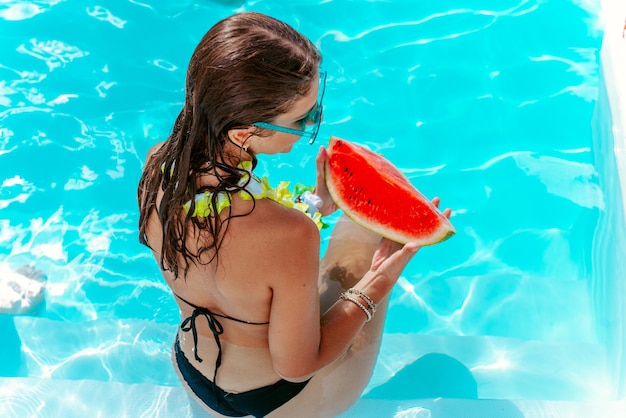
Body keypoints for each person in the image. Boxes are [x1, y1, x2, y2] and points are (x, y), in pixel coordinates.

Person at [137, 12, 451, 418]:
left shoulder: (157, 168)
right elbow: (297, 364)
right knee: (364, 235)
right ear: (243, 133)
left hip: (191, 370)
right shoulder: (290, 232)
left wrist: (316, 205)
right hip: (275, 404)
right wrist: (378, 282)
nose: (311, 126)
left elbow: (236, 260)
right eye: (301, 119)